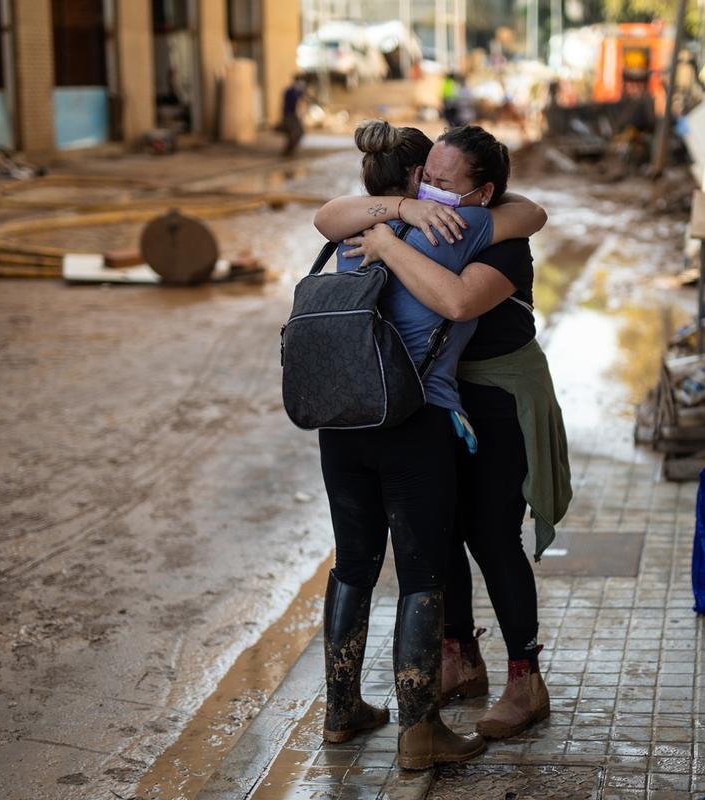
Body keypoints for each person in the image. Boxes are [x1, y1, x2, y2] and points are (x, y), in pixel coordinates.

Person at [311, 120, 547, 769]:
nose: (436, 190)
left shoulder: (354, 232)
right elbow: (532, 213)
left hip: (343, 419)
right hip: (412, 423)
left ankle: (341, 711)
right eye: (430, 179)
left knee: (354, 565)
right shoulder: (457, 227)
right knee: (421, 573)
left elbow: (327, 217)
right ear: (415, 179)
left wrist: (387, 229)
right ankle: (420, 731)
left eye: (447, 183)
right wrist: (404, 219)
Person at [281, 76, 307, 156]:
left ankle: (289, 151)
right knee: (295, 133)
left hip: (295, 117)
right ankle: (288, 151)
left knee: (299, 133)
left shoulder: (298, 92)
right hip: (289, 116)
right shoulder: (290, 92)